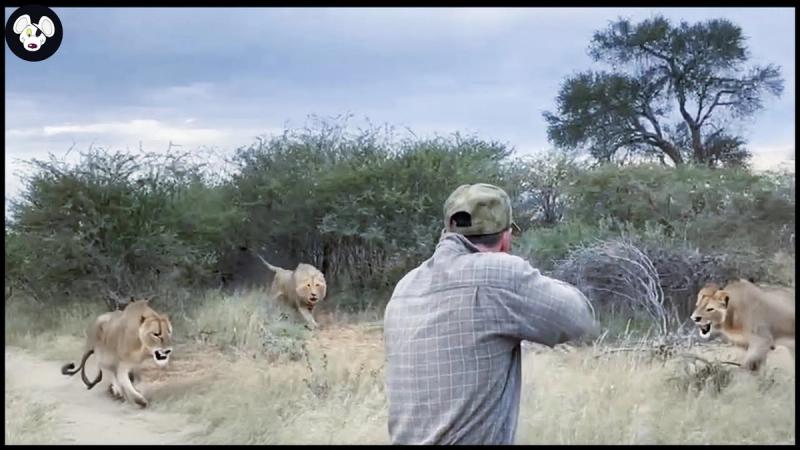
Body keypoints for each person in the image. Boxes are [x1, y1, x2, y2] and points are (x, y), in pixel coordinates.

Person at [383, 182, 599, 445]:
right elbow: (580, 319)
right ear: (506, 238)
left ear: (447, 231)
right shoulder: (501, 275)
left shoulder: (405, 285)